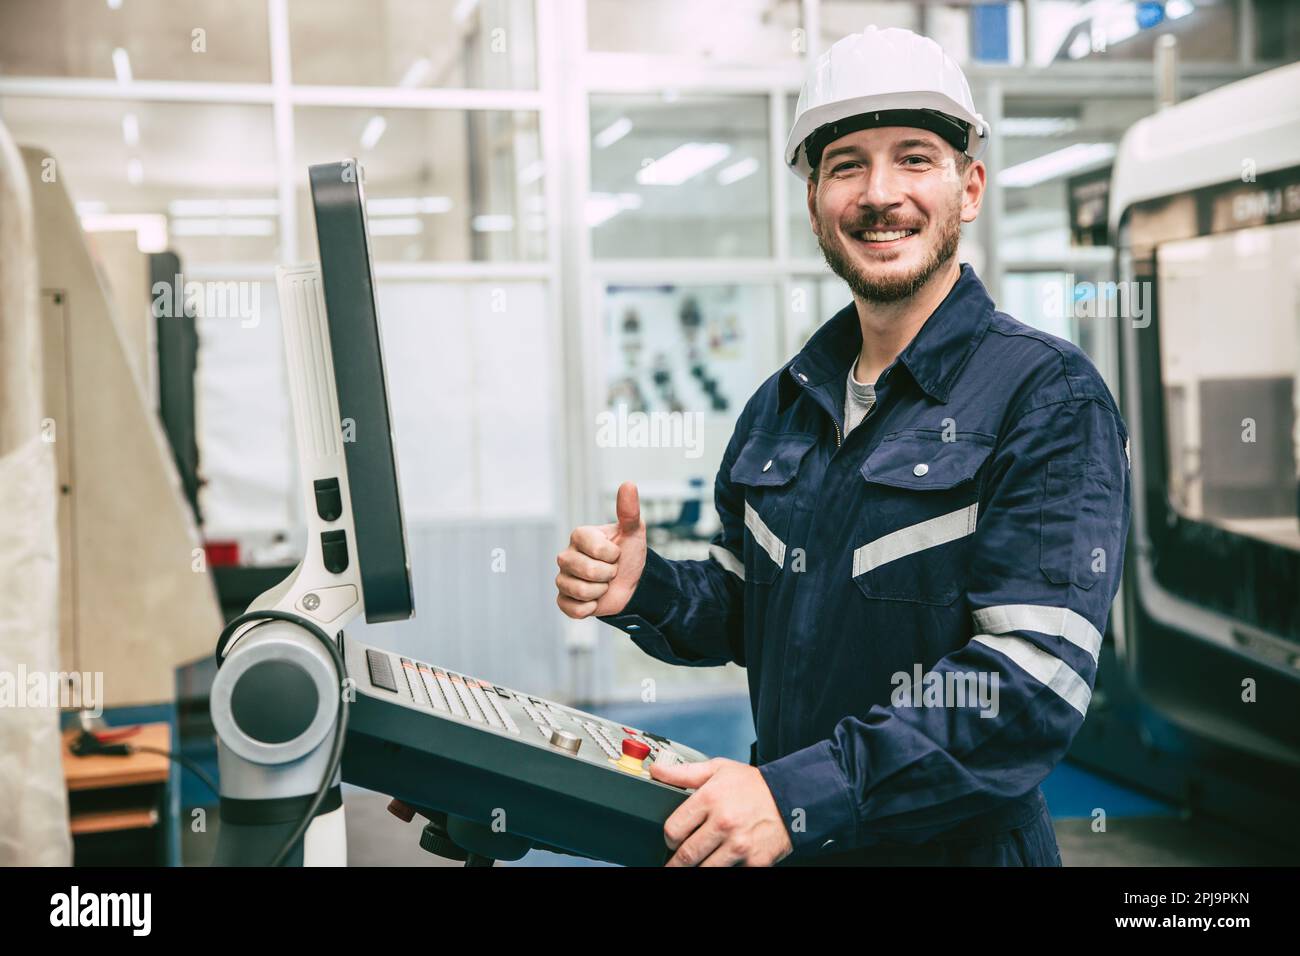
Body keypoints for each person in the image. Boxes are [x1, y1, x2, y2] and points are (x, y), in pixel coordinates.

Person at [555, 25, 1131, 867]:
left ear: (969, 188)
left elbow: (1029, 683)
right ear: (816, 201)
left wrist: (801, 795)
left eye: (914, 159)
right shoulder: (783, 405)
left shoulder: (1046, 397)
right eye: (847, 165)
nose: (879, 194)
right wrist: (648, 588)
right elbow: (755, 610)